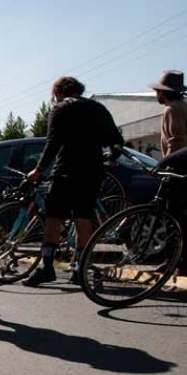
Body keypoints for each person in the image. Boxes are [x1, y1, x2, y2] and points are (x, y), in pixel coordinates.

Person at [22, 76, 124, 287]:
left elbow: (53, 142)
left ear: (58, 92)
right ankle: (80, 269)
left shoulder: (60, 108)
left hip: (66, 171)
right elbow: (117, 141)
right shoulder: (98, 108)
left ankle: (47, 267)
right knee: (83, 219)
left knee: (53, 218)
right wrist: (108, 160)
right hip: (92, 172)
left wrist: (38, 170)